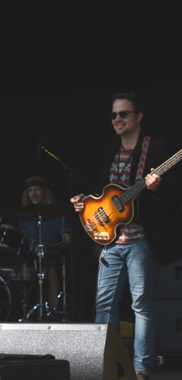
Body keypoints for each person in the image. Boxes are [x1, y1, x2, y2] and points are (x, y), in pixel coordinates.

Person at [71, 93, 182, 380]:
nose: (117, 119)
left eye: (123, 114)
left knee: (142, 305)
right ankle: (100, 363)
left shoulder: (157, 148)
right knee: (103, 305)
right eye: (114, 115)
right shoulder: (110, 149)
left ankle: (141, 367)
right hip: (110, 240)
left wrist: (157, 187)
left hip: (141, 241)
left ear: (138, 117)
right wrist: (87, 201)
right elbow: (103, 190)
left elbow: (177, 190)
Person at [18, 176, 70, 309]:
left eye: (37, 190)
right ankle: (32, 312)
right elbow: (22, 240)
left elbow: (67, 240)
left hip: (52, 253)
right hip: (32, 256)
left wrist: (49, 246)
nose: (33, 193)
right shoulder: (24, 215)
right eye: (30, 190)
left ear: (44, 192)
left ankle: (54, 314)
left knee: (51, 270)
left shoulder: (57, 213)